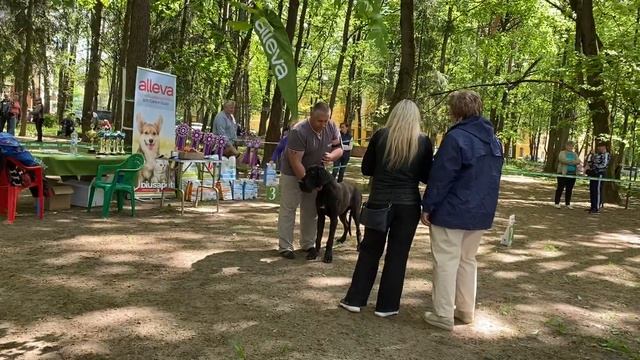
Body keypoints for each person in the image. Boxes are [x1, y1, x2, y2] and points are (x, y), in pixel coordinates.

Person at [339, 99, 433, 318]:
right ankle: (387, 305)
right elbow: (427, 176)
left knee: (370, 250)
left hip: (379, 201)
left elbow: (366, 168)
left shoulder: (381, 136)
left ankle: (355, 299)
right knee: (398, 255)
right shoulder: (423, 142)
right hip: (408, 204)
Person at [421, 90, 503, 331]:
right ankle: (466, 310)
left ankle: (443, 314)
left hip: (453, 210)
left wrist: (428, 206)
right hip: (480, 212)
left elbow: (442, 176)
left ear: (455, 111)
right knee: (468, 260)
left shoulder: (456, 138)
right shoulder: (493, 140)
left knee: (446, 261)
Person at [277, 102, 342, 259]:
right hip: (293, 173)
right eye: (320, 121)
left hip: (316, 174)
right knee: (289, 207)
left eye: (326, 120)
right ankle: (285, 246)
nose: (323, 124)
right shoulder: (299, 131)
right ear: (311, 116)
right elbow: (295, 161)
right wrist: (308, 183)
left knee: (311, 210)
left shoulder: (332, 127)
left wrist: (332, 156)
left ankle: (308, 243)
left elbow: (339, 148)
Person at [585, 142, 610, 214]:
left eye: (601, 146)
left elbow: (604, 165)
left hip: (600, 174)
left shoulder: (606, 155)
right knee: (592, 190)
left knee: (597, 191)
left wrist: (594, 169)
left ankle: (596, 208)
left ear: (604, 147)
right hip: (594, 174)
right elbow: (590, 162)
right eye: (598, 147)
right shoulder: (597, 155)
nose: (599, 148)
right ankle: (593, 206)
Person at [554, 141, 580, 209]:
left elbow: (578, 161)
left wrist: (570, 162)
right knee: (560, 188)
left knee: (569, 189)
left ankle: (567, 204)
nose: (570, 147)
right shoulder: (562, 153)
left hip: (572, 174)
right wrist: (573, 162)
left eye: (572, 146)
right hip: (562, 174)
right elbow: (563, 160)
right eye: (569, 146)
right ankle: (557, 203)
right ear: (566, 146)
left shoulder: (575, 154)